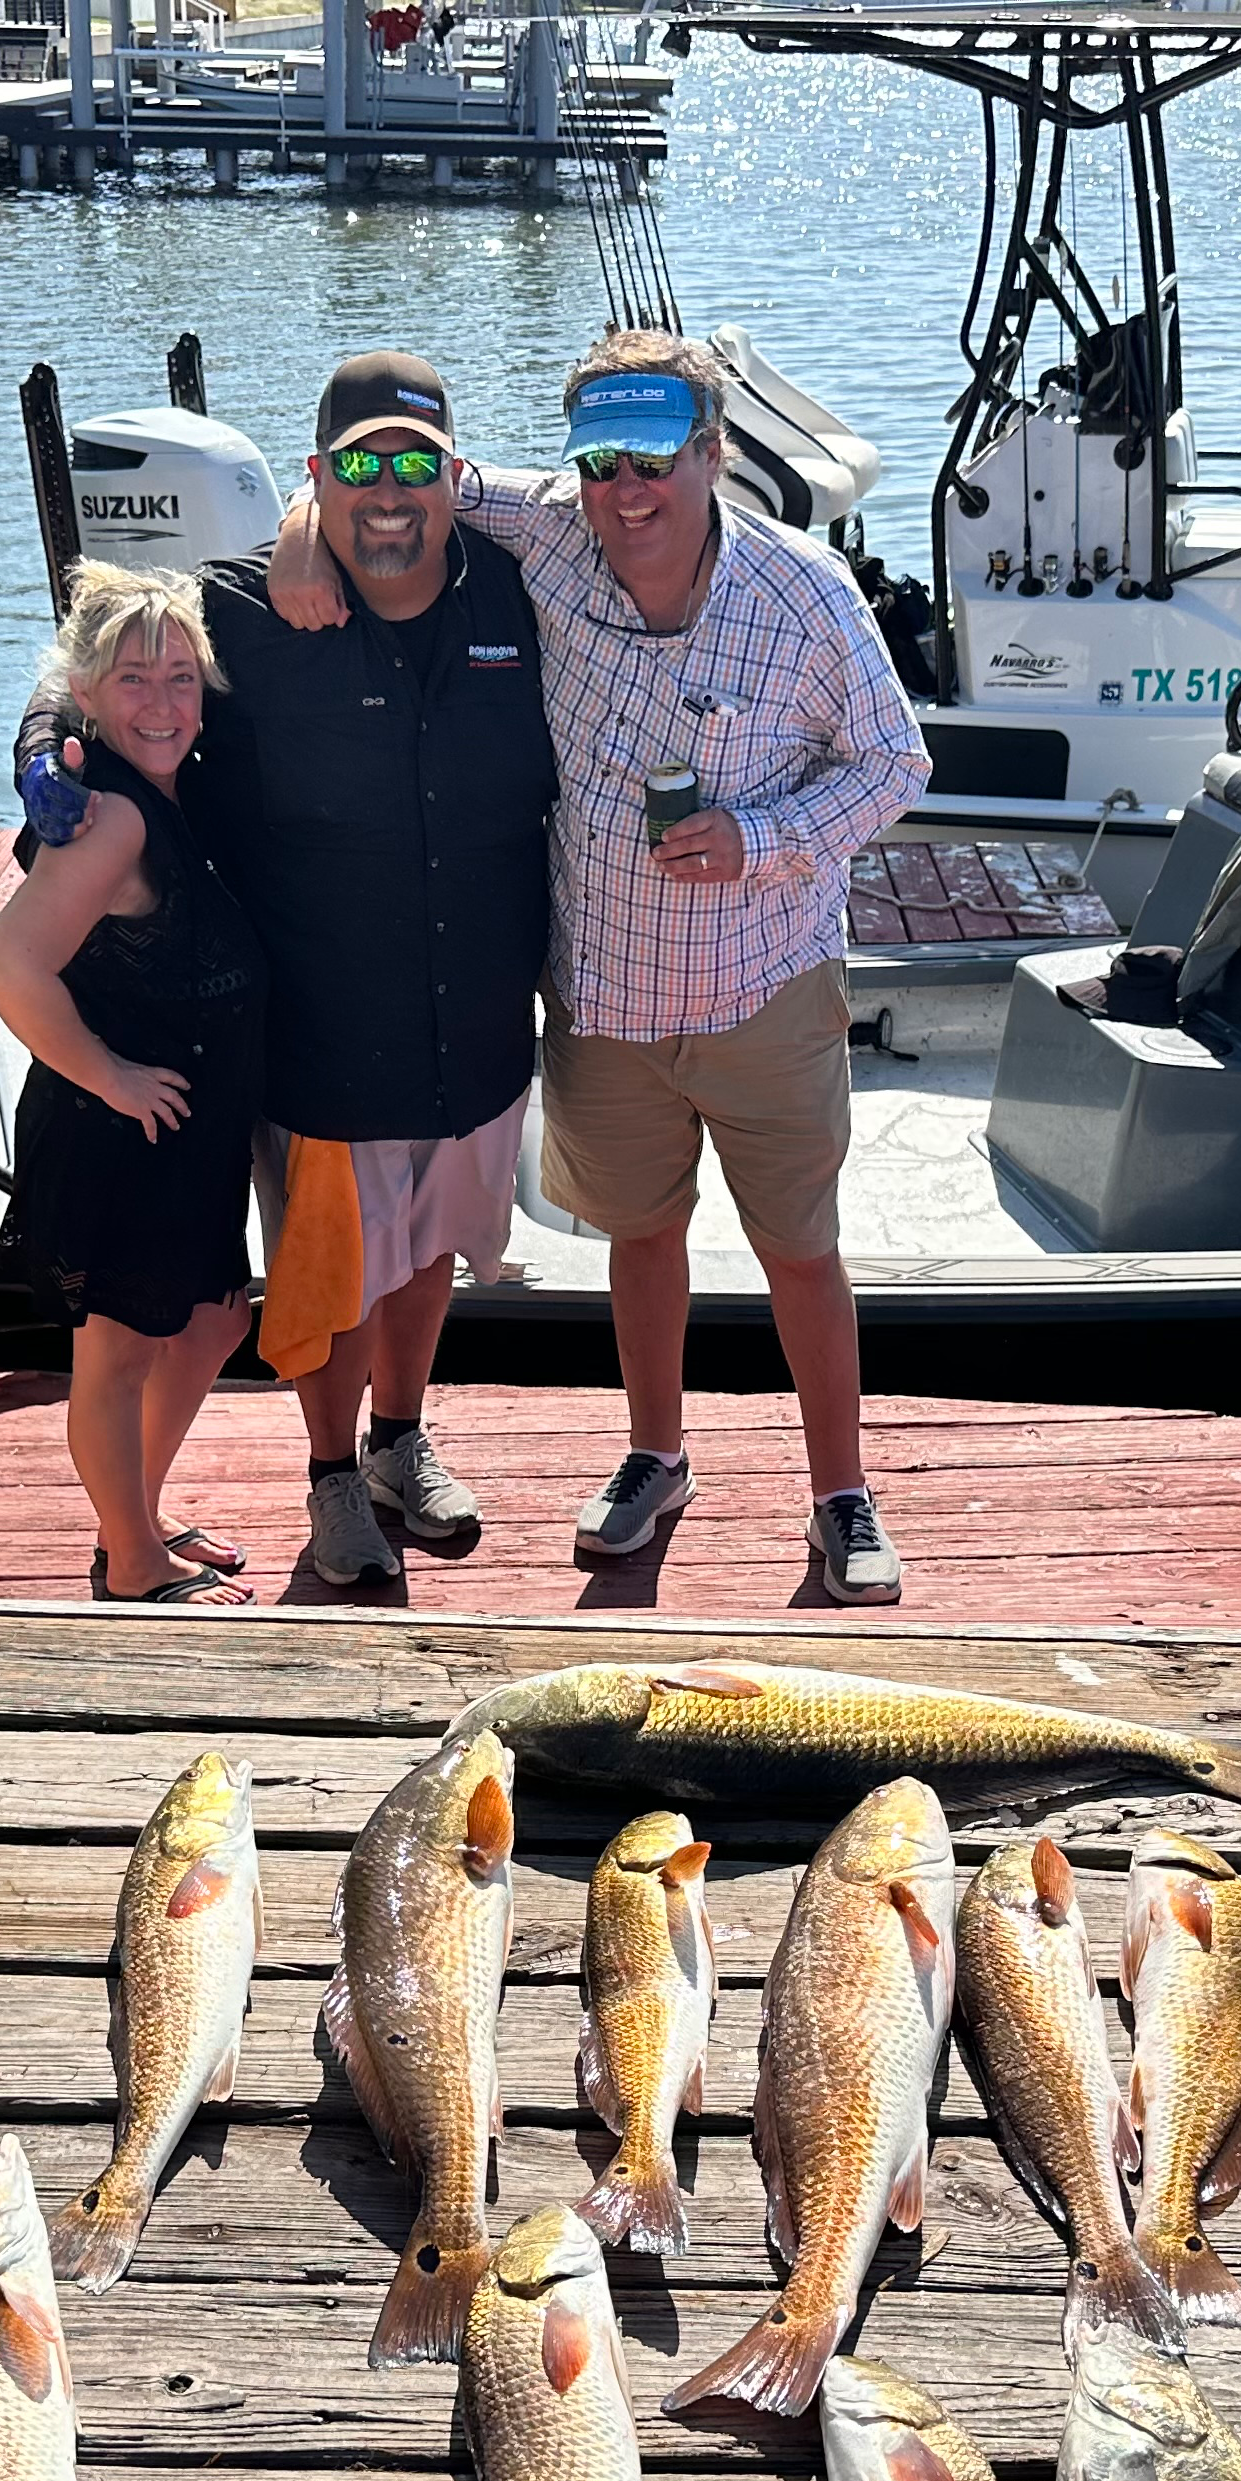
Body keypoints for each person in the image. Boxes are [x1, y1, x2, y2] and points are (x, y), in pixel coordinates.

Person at [271, 328, 930, 1602]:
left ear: (714, 453)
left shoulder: (805, 593)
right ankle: (654, 1456)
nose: (626, 491)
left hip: (765, 986)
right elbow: (399, 479)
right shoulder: (549, 534)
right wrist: (305, 521)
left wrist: (764, 838)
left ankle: (841, 1495)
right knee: (644, 1237)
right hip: (606, 997)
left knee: (802, 1249)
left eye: (656, 459)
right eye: (601, 459)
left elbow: (896, 766)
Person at [20, 351, 557, 1589]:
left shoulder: (519, 595)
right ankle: (329, 1479)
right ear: (314, 474)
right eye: (357, 466)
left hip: (476, 1016)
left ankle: (400, 1445)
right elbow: (98, 673)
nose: (389, 491)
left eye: (414, 465)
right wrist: (45, 750)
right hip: (322, 1030)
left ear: (453, 477)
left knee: (428, 1255)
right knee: (331, 1280)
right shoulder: (249, 609)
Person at [0, 564, 264, 1606]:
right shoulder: (110, 821)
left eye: (180, 678)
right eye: (133, 679)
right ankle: (131, 1561)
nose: (161, 702)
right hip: (120, 1128)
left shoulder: (182, 787)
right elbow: (8, 967)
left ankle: (132, 1512)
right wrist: (108, 1076)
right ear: (88, 697)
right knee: (118, 1355)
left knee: (217, 1319)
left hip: (188, 1129)